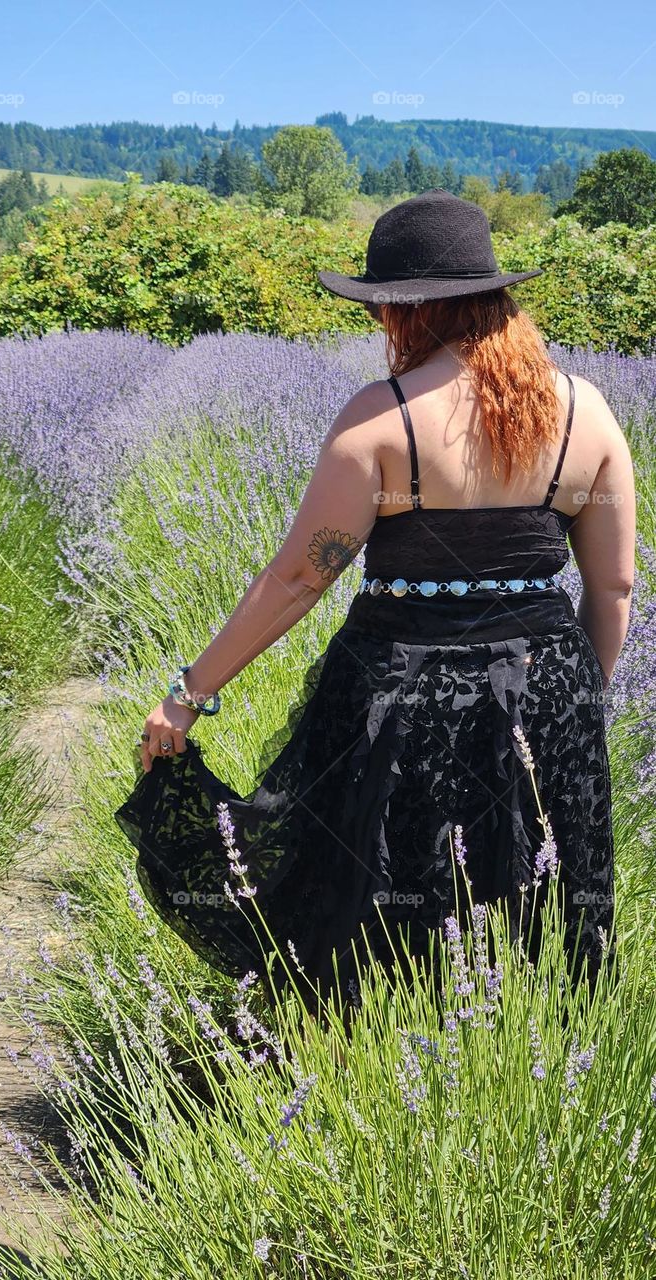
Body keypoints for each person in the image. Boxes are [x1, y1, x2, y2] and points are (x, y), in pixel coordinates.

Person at [115, 190, 635, 1019]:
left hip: (398, 692)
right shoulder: (586, 412)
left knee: (380, 898)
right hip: (548, 688)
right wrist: (569, 707)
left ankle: (383, 1048)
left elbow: (298, 578)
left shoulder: (381, 417)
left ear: (404, 311)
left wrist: (187, 696)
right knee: (534, 901)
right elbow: (611, 588)